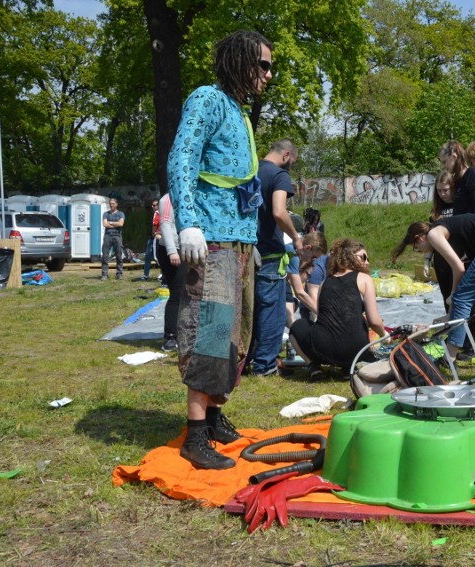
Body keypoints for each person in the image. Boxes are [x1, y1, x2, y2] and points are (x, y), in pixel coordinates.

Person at [166, 30, 273, 470]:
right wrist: (187, 221)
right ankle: (194, 436)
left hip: (240, 241)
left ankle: (212, 417)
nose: (269, 73)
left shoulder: (238, 110)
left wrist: (253, 240)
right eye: (263, 64)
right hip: (211, 238)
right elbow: (182, 158)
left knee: (236, 334)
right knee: (209, 332)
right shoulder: (206, 99)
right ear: (241, 61)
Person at [391, 214, 475, 362]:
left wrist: (453, 295)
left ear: (419, 238)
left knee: (462, 299)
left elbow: (459, 268)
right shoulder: (442, 229)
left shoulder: (433, 234)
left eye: (417, 248)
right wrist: (451, 308)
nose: (421, 251)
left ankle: (450, 356)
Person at [289, 238, 385, 381]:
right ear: (350, 257)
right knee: (360, 322)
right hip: (355, 349)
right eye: (364, 257)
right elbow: (374, 320)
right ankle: (348, 367)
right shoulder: (364, 279)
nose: (367, 262)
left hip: (323, 349)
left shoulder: (325, 282)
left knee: (297, 326)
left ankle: (313, 366)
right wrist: (384, 335)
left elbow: (323, 317)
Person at [248, 139, 302, 377]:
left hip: (247, 251)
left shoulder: (249, 171)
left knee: (250, 309)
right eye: (292, 162)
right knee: (272, 310)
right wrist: (295, 236)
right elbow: (279, 212)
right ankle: (265, 365)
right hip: (269, 252)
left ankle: (245, 358)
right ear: (286, 154)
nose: (291, 166)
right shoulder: (279, 175)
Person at [155, 193, 184, 352]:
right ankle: (170, 337)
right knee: (177, 294)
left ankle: (183, 333)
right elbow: (165, 224)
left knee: (188, 293)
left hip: (185, 248)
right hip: (170, 249)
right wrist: (172, 251)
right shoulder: (167, 199)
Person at [438, 140, 475, 216]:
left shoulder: (472, 174)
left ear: (454, 157)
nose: (443, 166)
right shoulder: (457, 180)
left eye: (444, 162)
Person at [424, 170, 455, 286]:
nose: (442, 194)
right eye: (439, 191)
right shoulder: (435, 211)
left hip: (459, 256)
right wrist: (427, 260)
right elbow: (432, 238)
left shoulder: (460, 205)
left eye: (446, 190)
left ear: (453, 188)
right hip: (441, 259)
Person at [101, 198, 125, 281]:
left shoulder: (121, 214)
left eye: (113, 203)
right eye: (110, 203)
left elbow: (121, 224)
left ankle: (119, 274)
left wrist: (110, 223)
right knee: (105, 255)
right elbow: (104, 224)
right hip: (108, 236)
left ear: (116, 204)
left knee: (119, 255)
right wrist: (115, 224)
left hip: (117, 236)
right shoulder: (105, 214)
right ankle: (104, 274)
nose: (111, 205)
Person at [141, 198, 160, 281]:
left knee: (156, 257)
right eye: (152, 205)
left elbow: (155, 224)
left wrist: (153, 233)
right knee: (149, 256)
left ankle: (162, 275)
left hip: (156, 237)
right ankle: (146, 274)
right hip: (157, 237)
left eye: (154, 205)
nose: (152, 207)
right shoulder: (163, 213)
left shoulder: (157, 213)